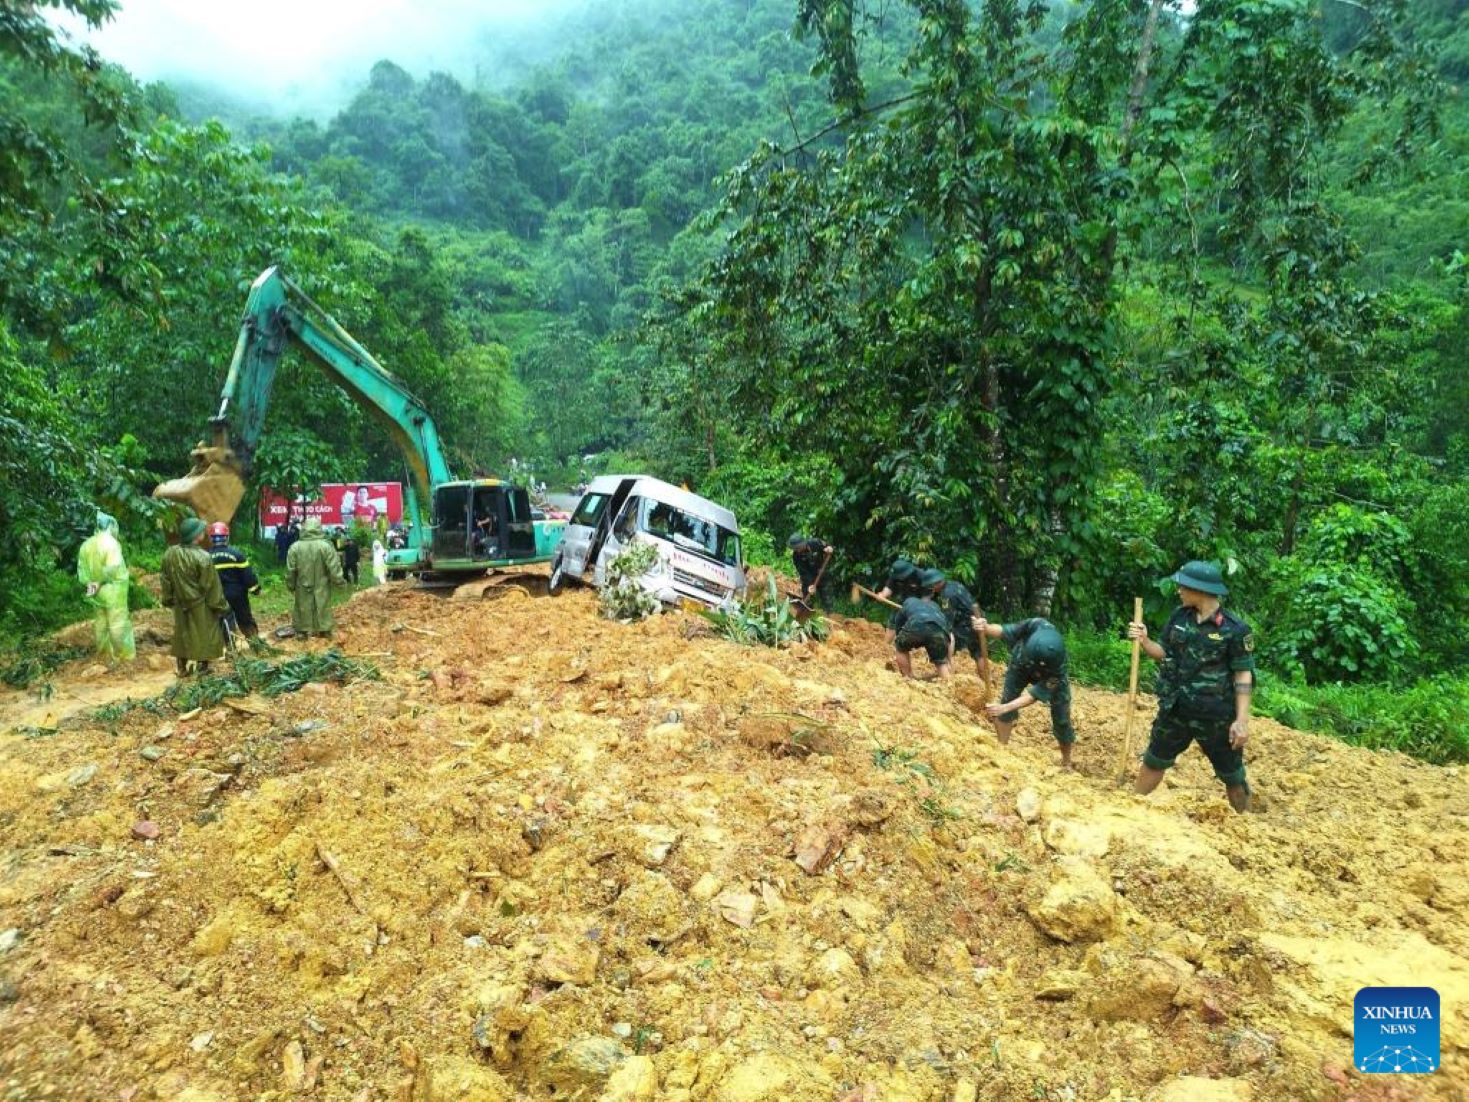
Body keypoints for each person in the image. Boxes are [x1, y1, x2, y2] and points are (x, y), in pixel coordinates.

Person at [1128, 560, 1255, 812]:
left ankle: (1247, 822)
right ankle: (1132, 807)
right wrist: (1144, 640)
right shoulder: (1179, 617)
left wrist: (1241, 721)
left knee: (1232, 775)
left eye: (1183, 586)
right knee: (1154, 760)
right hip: (1177, 709)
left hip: (1216, 716)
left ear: (1201, 590)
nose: (1179, 591)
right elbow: (1164, 653)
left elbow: (1243, 675)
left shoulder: (1235, 629)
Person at [973, 615, 1076, 768]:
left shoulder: (1057, 670)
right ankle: (1002, 750)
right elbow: (1006, 631)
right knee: (1007, 701)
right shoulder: (1035, 624)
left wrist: (1004, 708)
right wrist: (985, 628)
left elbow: (1032, 695)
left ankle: (1066, 761)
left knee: (1062, 718)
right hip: (1020, 664)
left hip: (1047, 674)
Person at [161, 517, 228, 677]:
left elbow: (165, 578)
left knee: (182, 633)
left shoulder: (170, 553)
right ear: (196, 536)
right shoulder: (203, 557)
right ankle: (203, 667)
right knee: (204, 634)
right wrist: (220, 606)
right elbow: (211, 586)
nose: (203, 534)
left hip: (179, 602)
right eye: (201, 531)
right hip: (200, 603)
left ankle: (182, 668)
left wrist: (168, 598)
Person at [76, 512, 136, 666]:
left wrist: (91, 584)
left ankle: (104, 658)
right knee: (118, 624)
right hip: (113, 590)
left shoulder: (86, 545)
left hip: (96, 593)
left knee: (101, 624)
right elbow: (113, 567)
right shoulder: (110, 543)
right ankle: (124, 660)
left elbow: (82, 574)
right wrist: (100, 581)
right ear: (110, 525)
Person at [286, 516, 347, 638]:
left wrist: (291, 585)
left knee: (302, 605)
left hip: (302, 583)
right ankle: (324, 630)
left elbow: (290, 570)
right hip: (322, 583)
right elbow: (334, 567)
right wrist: (340, 582)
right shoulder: (325, 546)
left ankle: (302, 631)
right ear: (319, 528)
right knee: (322, 604)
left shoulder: (295, 547)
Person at [892, 571, 954, 680]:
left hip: (916, 625)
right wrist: (948, 659)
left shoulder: (909, 601)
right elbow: (950, 636)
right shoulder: (935, 606)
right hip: (939, 630)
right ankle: (948, 681)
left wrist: (900, 637)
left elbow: (898, 622)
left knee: (900, 647)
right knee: (941, 662)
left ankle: (908, 677)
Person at [207, 521, 261, 639]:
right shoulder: (237, 554)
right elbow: (248, 576)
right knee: (245, 619)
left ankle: (230, 648)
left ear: (211, 538)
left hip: (217, 596)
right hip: (238, 595)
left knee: (224, 621)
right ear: (226, 537)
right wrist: (255, 589)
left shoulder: (206, 556)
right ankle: (256, 644)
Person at [934, 571, 984, 680]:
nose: (932, 589)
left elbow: (948, 623)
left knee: (944, 645)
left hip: (967, 625)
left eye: (932, 585)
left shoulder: (946, 595)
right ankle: (985, 679)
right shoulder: (954, 584)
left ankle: (947, 676)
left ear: (938, 584)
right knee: (979, 653)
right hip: (977, 618)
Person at [876, 557, 925, 641]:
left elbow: (928, 594)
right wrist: (883, 595)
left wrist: (921, 608)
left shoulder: (920, 575)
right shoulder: (895, 574)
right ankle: (885, 646)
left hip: (919, 604)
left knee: (916, 627)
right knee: (893, 621)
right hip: (902, 601)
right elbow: (889, 587)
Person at [787, 534, 833, 608]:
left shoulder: (815, 542)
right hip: (809, 577)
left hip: (822, 573)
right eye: (795, 549)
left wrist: (829, 548)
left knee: (827, 598)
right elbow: (803, 573)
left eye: (797, 548)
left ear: (803, 544)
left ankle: (830, 612)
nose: (797, 550)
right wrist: (809, 585)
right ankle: (807, 613)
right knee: (807, 598)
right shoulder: (796, 557)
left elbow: (827, 546)